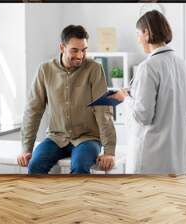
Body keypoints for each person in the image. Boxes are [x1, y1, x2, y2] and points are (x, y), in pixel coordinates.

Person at [17, 25, 116, 174]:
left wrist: (109, 151)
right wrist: (26, 148)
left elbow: (103, 110)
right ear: (62, 47)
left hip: (87, 139)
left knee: (80, 166)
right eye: (74, 50)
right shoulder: (45, 70)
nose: (80, 55)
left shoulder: (94, 69)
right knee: (35, 165)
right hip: (56, 138)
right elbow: (33, 110)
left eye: (84, 50)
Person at [111, 10, 186, 175]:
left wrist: (125, 98)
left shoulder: (148, 67)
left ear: (146, 33)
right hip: (174, 155)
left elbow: (143, 116)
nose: (137, 39)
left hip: (151, 156)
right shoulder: (182, 64)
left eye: (138, 33)